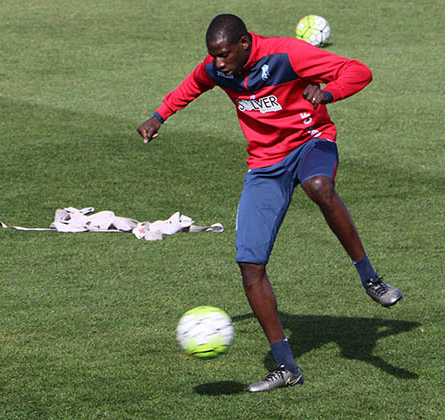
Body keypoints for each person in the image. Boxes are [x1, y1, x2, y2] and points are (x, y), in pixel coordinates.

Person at [137, 14, 402, 393]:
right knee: (250, 266)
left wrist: (328, 93)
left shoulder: (287, 54)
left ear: (245, 43)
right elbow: (193, 85)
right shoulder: (217, 68)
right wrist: (158, 116)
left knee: (318, 186)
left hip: (311, 141)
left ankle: (371, 279)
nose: (219, 63)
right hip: (265, 165)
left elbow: (358, 71)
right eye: (213, 55)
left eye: (225, 54)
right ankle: (286, 368)